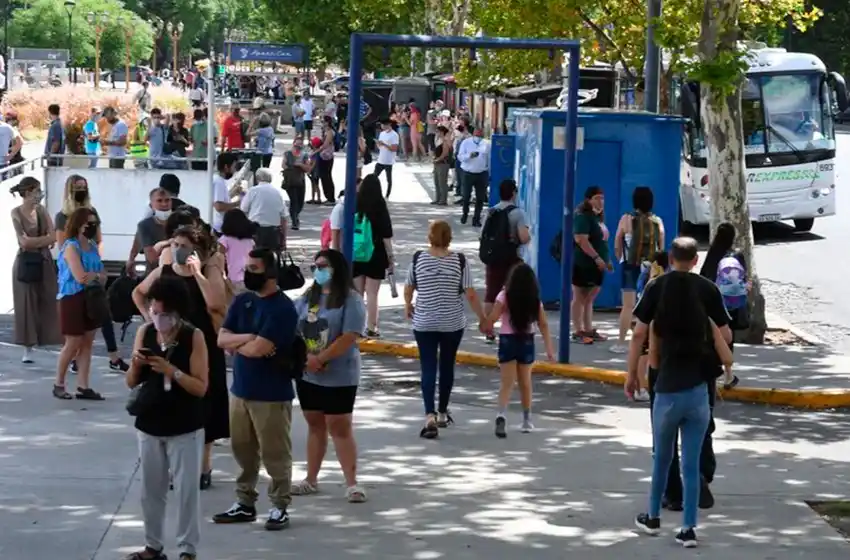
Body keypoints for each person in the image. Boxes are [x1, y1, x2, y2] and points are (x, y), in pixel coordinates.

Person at [627, 237, 732, 549]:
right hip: (699, 390)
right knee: (691, 461)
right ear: (695, 260)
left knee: (662, 457)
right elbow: (726, 336)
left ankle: (653, 516)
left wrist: (633, 374)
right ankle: (688, 529)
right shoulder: (707, 294)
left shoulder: (657, 296)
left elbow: (642, 340)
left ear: (670, 258)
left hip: (667, 389)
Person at [133, 225, 230, 489]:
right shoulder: (164, 272)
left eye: (184, 246)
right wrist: (149, 320)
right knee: (172, 403)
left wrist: (197, 272)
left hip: (203, 344)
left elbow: (216, 304)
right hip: (171, 347)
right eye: (174, 245)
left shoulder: (206, 271)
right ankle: (173, 468)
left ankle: (204, 467)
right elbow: (138, 292)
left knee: (207, 403)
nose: (177, 250)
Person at [213, 248, 299, 530]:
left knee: (275, 453)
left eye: (254, 268)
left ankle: (279, 506)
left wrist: (240, 343)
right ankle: (245, 502)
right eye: (247, 267)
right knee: (243, 451)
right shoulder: (243, 301)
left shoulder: (283, 309)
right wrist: (248, 337)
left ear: (270, 272)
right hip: (241, 390)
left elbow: (259, 349)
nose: (247, 273)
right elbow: (221, 339)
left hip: (271, 394)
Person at [125, 275, 208, 560]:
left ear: (178, 313)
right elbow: (131, 382)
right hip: (150, 422)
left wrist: (172, 371)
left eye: (164, 314)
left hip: (185, 425)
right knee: (150, 491)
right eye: (154, 311)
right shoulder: (145, 332)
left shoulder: (193, 336)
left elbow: (201, 387)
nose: (158, 319)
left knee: (186, 492)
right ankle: (153, 546)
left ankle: (187, 549)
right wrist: (137, 364)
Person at [291, 249, 368, 503]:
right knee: (315, 424)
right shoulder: (308, 297)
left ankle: (352, 483)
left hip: (340, 374)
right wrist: (306, 359)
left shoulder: (351, 299)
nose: (318, 271)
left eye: (323, 266)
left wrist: (321, 358)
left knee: (339, 426)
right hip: (308, 374)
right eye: (315, 267)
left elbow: (349, 336)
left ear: (337, 268)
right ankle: (310, 479)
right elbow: (294, 328)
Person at [404, 220, 486, 439]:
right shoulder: (459, 261)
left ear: (429, 236)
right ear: (449, 237)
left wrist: (408, 304)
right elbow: (470, 294)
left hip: (424, 322)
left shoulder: (418, 258)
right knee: (447, 365)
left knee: (428, 367)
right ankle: (442, 412)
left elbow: (409, 286)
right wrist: (483, 319)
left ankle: (429, 415)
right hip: (452, 323)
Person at [55, 175, 129, 372]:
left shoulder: (92, 213)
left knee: (103, 314)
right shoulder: (62, 216)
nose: (81, 191)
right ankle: (72, 361)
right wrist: (81, 261)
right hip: (74, 276)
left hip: (93, 267)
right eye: (77, 187)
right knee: (77, 325)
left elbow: (98, 239)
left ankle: (113, 356)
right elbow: (63, 245)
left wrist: (95, 259)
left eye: (84, 187)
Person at [484, 263, 555, 438]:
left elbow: (493, 318)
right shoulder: (534, 299)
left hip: (507, 340)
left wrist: (486, 325)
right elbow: (543, 324)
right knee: (525, 382)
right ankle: (526, 420)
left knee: (507, 383)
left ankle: (501, 415)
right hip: (526, 340)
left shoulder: (504, 295)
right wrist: (549, 349)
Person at [54, 207, 106, 401]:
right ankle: (59, 383)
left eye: (95, 223)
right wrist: (96, 276)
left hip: (91, 297)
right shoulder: (71, 246)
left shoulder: (92, 246)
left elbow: (103, 275)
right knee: (73, 342)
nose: (92, 227)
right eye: (88, 223)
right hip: (72, 297)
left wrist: (95, 276)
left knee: (87, 343)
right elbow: (80, 277)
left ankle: (83, 386)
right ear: (78, 224)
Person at [10, 177, 61, 364]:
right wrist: (43, 241)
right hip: (25, 262)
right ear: (28, 192)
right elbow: (23, 242)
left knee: (50, 298)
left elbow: (54, 235)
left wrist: (35, 242)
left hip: (44, 260)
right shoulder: (16, 212)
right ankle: (27, 347)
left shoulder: (41, 210)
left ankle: (53, 339)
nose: (39, 194)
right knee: (26, 303)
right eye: (36, 191)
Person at [612, 186, 664, 355]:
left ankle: (621, 343)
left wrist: (621, 258)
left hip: (630, 265)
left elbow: (617, 242)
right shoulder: (657, 221)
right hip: (650, 267)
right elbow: (661, 247)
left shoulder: (626, 219)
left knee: (628, 306)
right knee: (650, 306)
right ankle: (651, 343)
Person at [478, 179, 531, 343]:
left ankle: (489, 330)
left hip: (493, 258)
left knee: (491, 293)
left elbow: (482, 235)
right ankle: (514, 327)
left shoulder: (491, 211)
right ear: (514, 193)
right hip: (511, 258)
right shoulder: (518, 213)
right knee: (516, 292)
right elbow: (524, 237)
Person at [700, 222, 747, 389]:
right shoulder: (737, 255)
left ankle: (713, 370)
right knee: (728, 337)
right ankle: (728, 374)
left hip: (713, 301)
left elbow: (703, 276)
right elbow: (744, 278)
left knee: (712, 336)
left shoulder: (713, 254)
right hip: (731, 303)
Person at [351, 174, 394, 338]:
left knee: (357, 294)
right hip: (375, 254)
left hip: (356, 252)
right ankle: (371, 327)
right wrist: (391, 256)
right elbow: (386, 234)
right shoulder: (379, 205)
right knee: (372, 293)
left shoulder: (355, 203)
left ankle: (356, 326)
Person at [571, 186, 612, 344]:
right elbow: (581, 240)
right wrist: (596, 257)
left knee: (589, 299)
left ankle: (588, 329)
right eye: (597, 198)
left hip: (597, 265)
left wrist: (606, 260)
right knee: (579, 297)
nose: (601, 201)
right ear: (588, 200)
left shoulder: (597, 218)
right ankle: (578, 331)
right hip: (584, 263)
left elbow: (602, 241)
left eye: (602, 198)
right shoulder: (583, 217)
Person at [241, 167, 289, 252]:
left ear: (257, 178)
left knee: (255, 256)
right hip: (273, 231)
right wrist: (284, 239)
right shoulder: (277, 192)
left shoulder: (253, 191)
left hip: (256, 230)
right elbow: (284, 217)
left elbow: (243, 209)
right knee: (272, 256)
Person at [127, 188, 174, 274]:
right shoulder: (145, 225)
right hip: (155, 273)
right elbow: (151, 258)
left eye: (167, 200)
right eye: (159, 201)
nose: (164, 204)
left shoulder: (180, 222)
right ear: (151, 204)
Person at [456, 126, 490, 227]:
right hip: (468, 173)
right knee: (466, 196)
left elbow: (489, 158)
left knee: (480, 198)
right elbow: (460, 156)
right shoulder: (466, 142)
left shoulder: (487, 144)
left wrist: (489, 172)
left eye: (480, 132)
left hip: (481, 173)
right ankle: (465, 213)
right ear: (474, 132)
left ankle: (476, 218)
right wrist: (469, 156)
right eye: (477, 132)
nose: (478, 134)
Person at [211, 152, 251, 235]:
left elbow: (221, 199)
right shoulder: (219, 182)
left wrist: (233, 192)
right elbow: (219, 206)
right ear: (226, 167)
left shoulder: (218, 179)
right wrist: (238, 203)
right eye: (233, 167)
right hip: (220, 227)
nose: (234, 170)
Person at [218, 209, 256, 293]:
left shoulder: (225, 239)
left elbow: (219, 256)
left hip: (234, 277)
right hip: (250, 275)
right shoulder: (250, 240)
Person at [282, 135, 312, 230]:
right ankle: (295, 221)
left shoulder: (305, 155)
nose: (298, 146)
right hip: (290, 180)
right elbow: (283, 165)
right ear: (293, 144)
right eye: (296, 144)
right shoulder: (287, 154)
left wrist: (299, 165)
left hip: (300, 180)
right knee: (294, 201)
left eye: (300, 144)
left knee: (300, 202)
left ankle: (295, 215)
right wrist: (292, 168)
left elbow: (308, 168)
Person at [374, 118, 399, 199]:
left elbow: (394, 148)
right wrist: (378, 144)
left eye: (383, 125)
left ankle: (387, 195)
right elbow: (380, 146)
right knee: (374, 177)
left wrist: (384, 144)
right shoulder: (382, 134)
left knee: (389, 179)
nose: (382, 126)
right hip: (381, 159)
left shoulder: (394, 135)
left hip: (389, 160)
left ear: (388, 125)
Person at [317, 115, 336, 203]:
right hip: (323, 155)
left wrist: (316, 151)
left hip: (327, 156)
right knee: (323, 177)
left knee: (327, 177)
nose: (322, 123)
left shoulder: (330, 132)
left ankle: (331, 198)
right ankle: (328, 196)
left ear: (327, 122)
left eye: (323, 122)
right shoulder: (325, 131)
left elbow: (325, 145)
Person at [431, 125, 452, 205]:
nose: (437, 133)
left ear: (442, 132)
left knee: (442, 182)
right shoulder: (438, 140)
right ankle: (438, 198)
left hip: (443, 163)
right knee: (436, 182)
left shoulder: (445, 141)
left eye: (438, 131)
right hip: (437, 163)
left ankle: (443, 199)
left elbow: (445, 153)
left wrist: (438, 159)